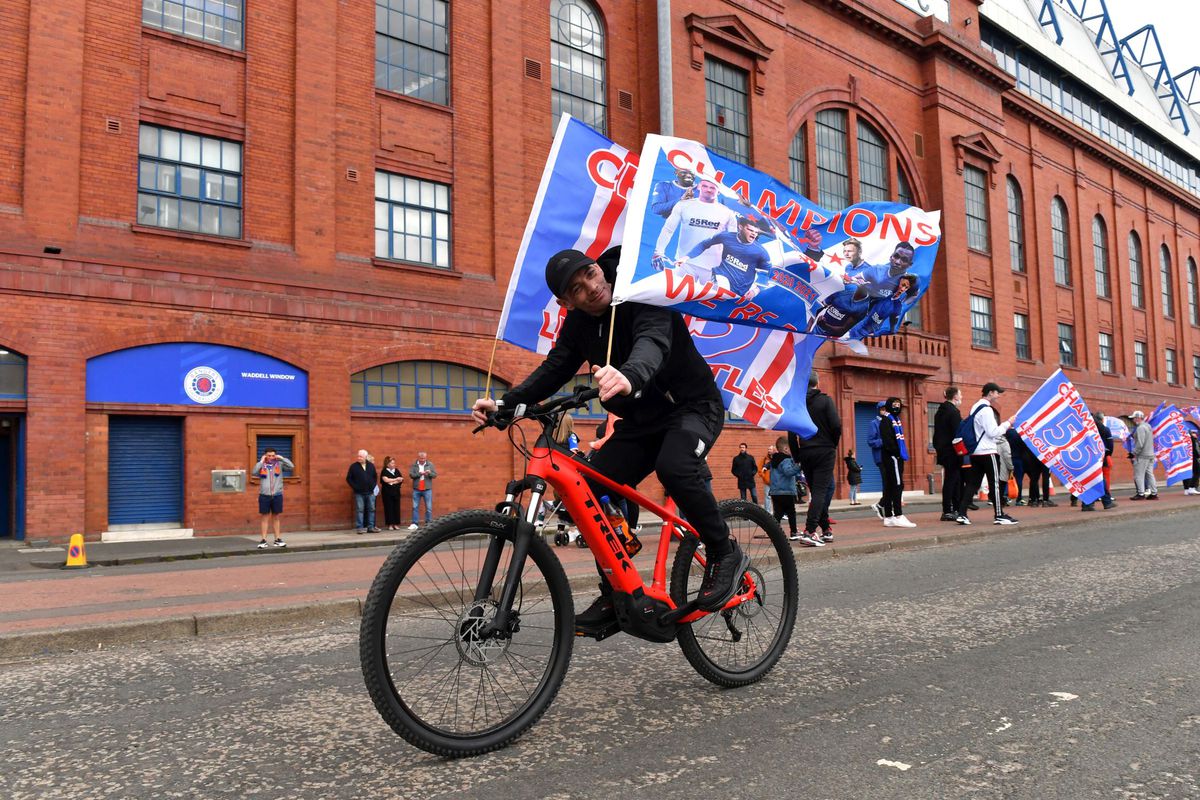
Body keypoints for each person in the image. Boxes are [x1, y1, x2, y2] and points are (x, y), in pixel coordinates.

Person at [471, 246, 750, 633]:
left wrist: (631, 374)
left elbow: (653, 340)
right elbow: (556, 367)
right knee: (585, 489)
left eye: (589, 273)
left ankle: (725, 551)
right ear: (565, 301)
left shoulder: (640, 291)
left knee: (675, 467)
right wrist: (506, 403)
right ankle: (617, 591)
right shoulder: (579, 325)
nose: (590, 286)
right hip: (642, 423)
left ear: (597, 268)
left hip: (691, 407)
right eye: (576, 288)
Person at [788, 372, 841, 544]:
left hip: (806, 452)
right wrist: (832, 443)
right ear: (817, 383)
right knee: (820, 491)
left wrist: (797, 455)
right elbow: (836, 425)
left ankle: (825, 528)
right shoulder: (826, 401)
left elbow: (791, 432)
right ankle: (810, 531)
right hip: (824, 451)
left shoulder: (797, 404)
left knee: (817, 490)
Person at [955, 383, 1019, 526]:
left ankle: (962, 513)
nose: (998, 395)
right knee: (994, 484)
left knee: (972, 484)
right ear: (990, 393)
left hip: (976, 452)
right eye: (997, 393)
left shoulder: (975, 407)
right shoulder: (987, 410)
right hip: (988, 452)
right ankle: (999, 514)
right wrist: (1008, 423)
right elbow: (993, 432)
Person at [652, 176, 738, 281]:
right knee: (680, 296)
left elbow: (733, 243)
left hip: (713, 268)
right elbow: (668, 230)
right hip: (685, 265)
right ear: (698, 187)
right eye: (705, 186)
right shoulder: (683, 205)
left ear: (719, 191)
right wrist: (658, 252)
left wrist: (729, 267)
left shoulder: (727, 213)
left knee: (709, 297)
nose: (708, 189)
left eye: (712, 187)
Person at [676, 214, 773, 299]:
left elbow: (766, 274)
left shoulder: (761, 252)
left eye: (756, 232)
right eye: (750, 230)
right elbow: (704, 244)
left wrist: (755, 291)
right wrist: (687, 257)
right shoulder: (726, 237)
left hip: (739, 292)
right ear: (740, 227)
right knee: (719, 284)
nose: (753, 234)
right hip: (719, 278)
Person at [876, 397, 915, 528]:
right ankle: (898, 515)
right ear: (888, 406)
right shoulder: (887, 421)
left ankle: (888, 517)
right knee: (898, 485)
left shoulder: (896, 420)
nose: (897, 407)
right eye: (894, 405)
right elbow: (888, 442)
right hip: (892, 457)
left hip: (895, 457)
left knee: (891, 486)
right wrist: (897, 454)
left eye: (898, 405)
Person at [253, 446, 294, 548]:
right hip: (264, 495)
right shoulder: (262, 466)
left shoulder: (279, 464)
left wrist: (282, 458)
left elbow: (291, 466)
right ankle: (263, 540)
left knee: (276, 517)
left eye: (273, 455)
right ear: (265, 456)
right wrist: (261, 461)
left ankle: (277, 539)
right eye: (268, 455)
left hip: (277, 495)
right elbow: (254, 472)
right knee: (264, 518)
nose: (271, 457)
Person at [933, 386, 964, 521]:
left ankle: (954, 508)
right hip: (952, 451)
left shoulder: (940, 411)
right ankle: (948, 510)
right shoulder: (954, 412)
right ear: (955, 396)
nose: (961, 397)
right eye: (960, 395)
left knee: (953, 480)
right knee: (952, 480)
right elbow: (958, 434)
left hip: (943, 450)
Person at [766, 436, 801, 542]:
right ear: (786, 448)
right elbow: (788, 472)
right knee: (791, 512)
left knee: (778, 513)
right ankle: (794, 532)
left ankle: (774, 534)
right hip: (786, 491)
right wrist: (798, 466)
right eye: (791, 448)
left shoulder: (774, 460)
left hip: (775, 491)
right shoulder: (786, 459)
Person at [1081, 412, 1116, 510]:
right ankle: (1105, 502)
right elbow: (1110, 445)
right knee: (1100, 479)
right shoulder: (1102, 428)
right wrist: (1108, 455)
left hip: (1086, 457)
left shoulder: (1084, 427)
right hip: (1098, 457)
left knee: (1089, 480)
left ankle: (1088, 503)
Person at [345, 449, 380, 534]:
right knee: (360, 510)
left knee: (371, 509)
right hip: (359, 493)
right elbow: (349, 478)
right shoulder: (353, 466)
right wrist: (355, 487)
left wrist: (372, 486)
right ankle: (360, 527)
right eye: (358, 456)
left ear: (365, 457)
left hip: (370, 492)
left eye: (361, 456)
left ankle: (370, 527)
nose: (359, 458)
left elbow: (375, 477)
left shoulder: (371, 465)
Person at [1127, 410, 1158, 500]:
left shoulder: (1140, 428)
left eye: (1134, 418)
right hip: (1150, 454)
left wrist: (1133, 453)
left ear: (1138, 418)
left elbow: (1140, 443)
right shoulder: (1148, 426)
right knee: (1150, 474)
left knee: (1138, 475)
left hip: (1142, 455)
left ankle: (1141, 493)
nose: (1133, 420)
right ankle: (1154, 493)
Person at [408, 451, 438, 529]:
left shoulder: (430, 464)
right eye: (421, 458)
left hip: (427, 489)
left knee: (428, 507)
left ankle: (428, 523)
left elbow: (435, 475)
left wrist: (429, 473)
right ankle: (414, 523)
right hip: (417, 489)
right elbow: (411, 475)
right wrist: (419, 474)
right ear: (418, 458)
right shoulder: (414, 465)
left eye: (424, 458)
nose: (423, 460)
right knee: (415, 507)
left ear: (426, 458)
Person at [379, 456, 404, 530]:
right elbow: (385, 480)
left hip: (396, 492)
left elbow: (401, 479)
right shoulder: (384, 471)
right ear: (388, 464)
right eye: (392, 463)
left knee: (396, 508)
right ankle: (390, 524)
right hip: (387, 493)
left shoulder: (396, 470)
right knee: (389, 508)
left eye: (394, 463)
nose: (394, 464)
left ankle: (396, 524)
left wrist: (392, 481)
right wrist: (396, 479)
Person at [759, 444, 776, 514]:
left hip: (776, 482)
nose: (769, 450)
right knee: (767, 498)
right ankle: (768, 512)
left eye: (770, 449)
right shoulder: (765, 459)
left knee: (776, 498)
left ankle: (777, 512)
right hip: (767, 482)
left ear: (774, 450)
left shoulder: (777, 458)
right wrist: (764, 476)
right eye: (768, 449)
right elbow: (760, 469)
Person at [1184, 428, 1200, 496]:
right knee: (1197, 472)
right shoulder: (1193, 440)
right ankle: (1192, 487)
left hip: (1187, 459)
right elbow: (1196, 450)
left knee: (1188, 473)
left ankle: (1187, 489)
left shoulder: (1185, 440)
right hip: (1194, 458)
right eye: (1193, 433)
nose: (1195, 434)